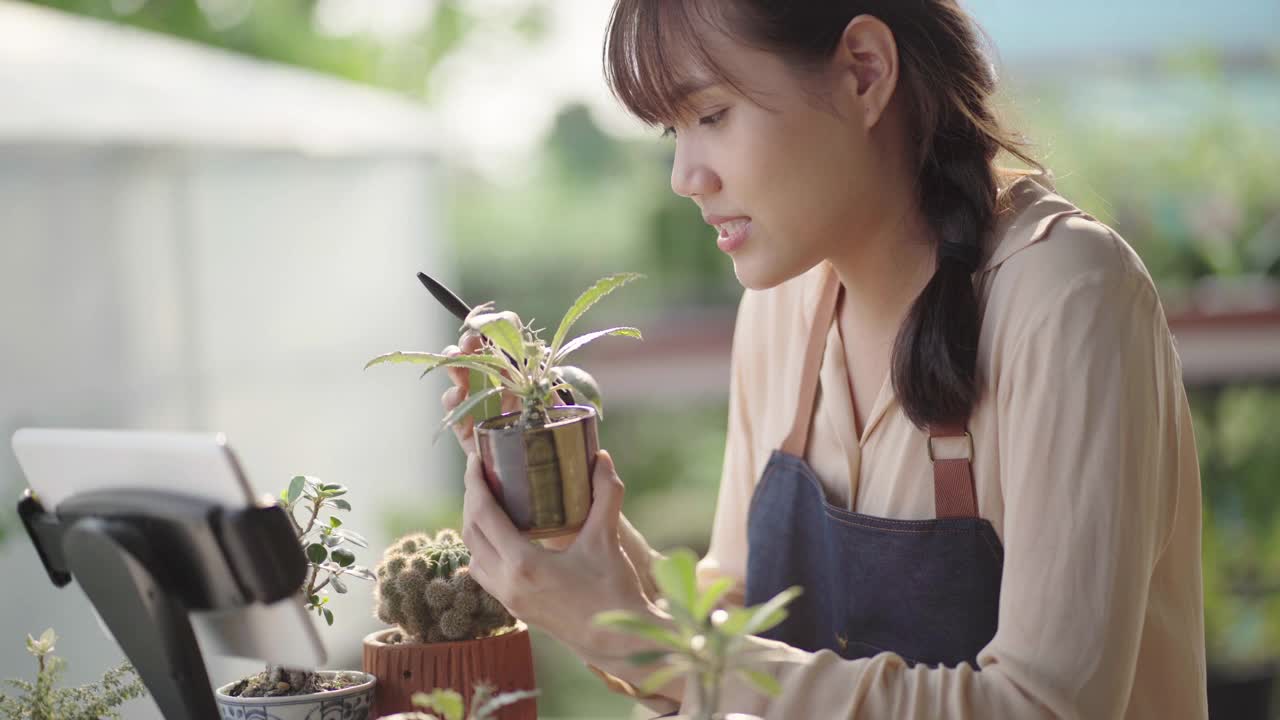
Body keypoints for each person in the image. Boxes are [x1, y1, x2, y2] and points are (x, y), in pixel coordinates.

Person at [442, 1, 1208, 717]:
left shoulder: (1065, 295)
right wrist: (568, 518)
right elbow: (742, 616)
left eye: (712, 114)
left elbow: (1041, 705)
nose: (686, 178)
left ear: (864, 73)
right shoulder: (781, 305)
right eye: (674, 133)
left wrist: (649, 648)